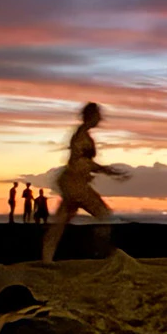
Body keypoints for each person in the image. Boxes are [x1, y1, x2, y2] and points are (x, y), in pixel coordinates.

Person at [42, 102, 128, 263]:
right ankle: (100, 254)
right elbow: (79, 163)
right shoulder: (81, 137)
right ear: (91, 116)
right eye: (97, 115)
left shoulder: (83, 135)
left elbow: (84, 163)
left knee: (59, 225)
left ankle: (47, 259)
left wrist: (107, 171)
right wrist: (107, 170)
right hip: (75, 184)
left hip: (73, 183)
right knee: (103, 214)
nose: (100, 118)